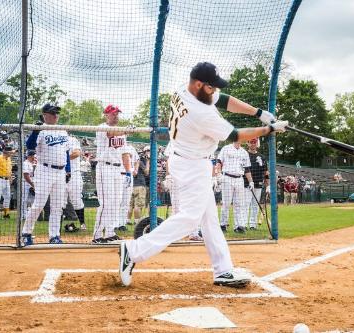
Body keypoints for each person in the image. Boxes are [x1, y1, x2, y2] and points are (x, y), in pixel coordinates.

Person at [119, 61, 288, 287]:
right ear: (199, 84)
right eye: (211, 87)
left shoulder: (185, 89)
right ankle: (134, 251)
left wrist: (259, 113)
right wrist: (269, 129)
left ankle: (223, 270)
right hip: (192, 165)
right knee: (190, 219)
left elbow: (225, 100)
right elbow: (236, 135)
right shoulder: (202, 114)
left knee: (209, 220)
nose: (215, 92)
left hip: (185, 158)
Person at [22, 104, 71, 245]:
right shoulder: (41, 129)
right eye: (52, 113)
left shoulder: (62, 130)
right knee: (39, 204)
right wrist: (35, 131)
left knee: (57, 206)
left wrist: (68, 169)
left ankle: (54, 236)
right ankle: (26, 233)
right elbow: (29, 146)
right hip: (45, 171)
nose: (56, 115)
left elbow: (66, 152)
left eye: (57, 113)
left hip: (60, 172)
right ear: (44, 115)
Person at [93, 105, 129, 244]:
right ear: (106, 115)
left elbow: (125, 153)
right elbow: (110, 133)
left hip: (117, 169)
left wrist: (128, 172)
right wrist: (126, 130)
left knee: (116, 202)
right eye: (113, 114)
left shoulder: (122, 133)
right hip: (104, 167)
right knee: (106, 202)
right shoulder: (101, 127)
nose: (116, 116)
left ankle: (109, 232)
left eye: (117, 114)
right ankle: (96, 235)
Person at [217, 140, 252, 233]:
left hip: (239, 178)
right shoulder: (226, 148)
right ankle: (223, 224)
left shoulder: (244, 152)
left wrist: (251, 181)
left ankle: (239, 226)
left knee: (239, 203)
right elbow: (219, 161)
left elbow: (247, 168)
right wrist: (219, 174)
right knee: (226, 203)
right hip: (227, 177)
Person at [242, 137, 269, 230]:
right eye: (251, 142)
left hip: (259, 183)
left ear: (257, 143)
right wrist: (250, 181)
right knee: (245, 204)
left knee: (255, 204)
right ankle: (244, 224)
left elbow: (266, 171)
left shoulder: (262, 157)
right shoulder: (244, 155)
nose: (253, 144)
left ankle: (252, 225)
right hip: (246, 183)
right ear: (248, 143)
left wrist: (268, 185)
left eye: (255, 142)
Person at [64, 136, 87, 232]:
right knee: (59, 202)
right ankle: (56, 226)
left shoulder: (72, 139)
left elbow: (77, 153)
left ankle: (82, 223)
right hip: (59, 174)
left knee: (76, 200)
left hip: (74, 174)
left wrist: (62, 158)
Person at [118, 145, 139, 231]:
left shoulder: (131, 147)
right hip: (117, 174)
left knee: (126, 201)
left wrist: (136, 169)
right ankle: (111, 224)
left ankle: (122, 224)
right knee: (115, 201)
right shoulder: (116, 145)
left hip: (129, 175)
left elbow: (137, 159)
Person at [129, 146, 150, 225]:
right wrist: (148, 161)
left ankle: (127, 221)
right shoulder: (140, 161)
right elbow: (147, 172)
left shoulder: (132, 161)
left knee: (131, 205)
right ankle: (137, 221)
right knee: (138, 205)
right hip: (140, 185)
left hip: (132, 185)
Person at [21, 150, 36, 220]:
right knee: (24, 199)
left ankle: (29, 214)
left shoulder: (33, 163)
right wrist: (32, 184)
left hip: (32, 183)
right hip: (26, 183)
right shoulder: (25, 163)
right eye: (34, 155)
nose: (35, 157)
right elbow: (26, 175)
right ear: (30, 156)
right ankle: (23, 215)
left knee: (32, 200)